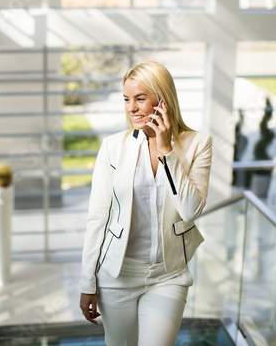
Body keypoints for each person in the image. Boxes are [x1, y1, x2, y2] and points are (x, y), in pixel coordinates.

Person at [79, 61, 212, 346]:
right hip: (117, 276)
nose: (131, 108)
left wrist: (167, 151)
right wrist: (86, 282)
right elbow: (97, 218)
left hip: (169, 275)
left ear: (163, 100)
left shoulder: (197, 144)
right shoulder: (113, 147)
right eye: (127, 99)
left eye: (140, 98)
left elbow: (190, 210)